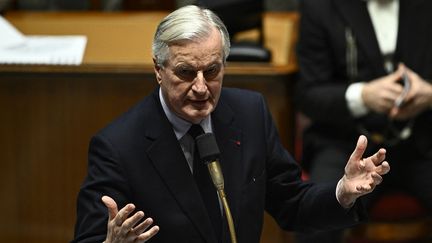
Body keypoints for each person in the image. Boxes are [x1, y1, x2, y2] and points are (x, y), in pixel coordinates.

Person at [72, 5, 390, 243]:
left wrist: (342, 193)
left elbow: (292, 203)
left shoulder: (250, 113)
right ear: (158, 69)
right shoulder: (117, 146)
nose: (200, 87)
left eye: (211, 71)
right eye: (185, 73)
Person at [295, 0, 432, 242]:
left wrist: (430, 95)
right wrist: (362, 96)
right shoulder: (320, 7)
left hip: (421, 141)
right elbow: (309, 95)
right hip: (345, 143)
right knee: (317, 221)